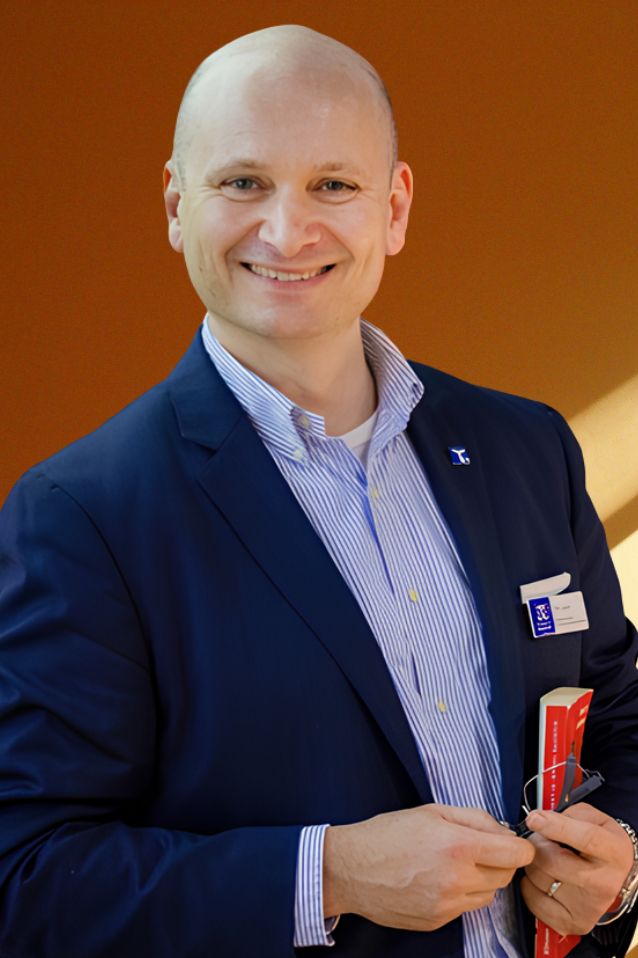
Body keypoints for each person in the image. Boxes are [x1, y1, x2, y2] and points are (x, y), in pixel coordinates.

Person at [0, 24, 636, 958]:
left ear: (395, 208)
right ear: (177, 205)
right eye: (242, 182)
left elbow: (619, 714)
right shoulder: (82, 516)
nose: (287, 231)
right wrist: (328, 873)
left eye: (333, 185)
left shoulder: (527, 448)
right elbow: (27, 880)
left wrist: (624, 864)